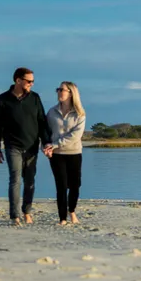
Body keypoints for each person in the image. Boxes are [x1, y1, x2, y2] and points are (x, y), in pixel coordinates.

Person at [0, 67, 52, 226]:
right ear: (18, 80)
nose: (32, 84)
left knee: (30, 180)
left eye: (33, 81)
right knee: (15, 179)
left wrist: (46, 142)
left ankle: (27, 212)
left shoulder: (35, 98)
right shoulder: (3, 99)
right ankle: (15, 216)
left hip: (32, 146)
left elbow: (42, 122)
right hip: (12, 146)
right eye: (29, 81)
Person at [46, 81, 86, 225]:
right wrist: (46, 147)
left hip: (74, 152)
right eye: (58, 89)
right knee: (61, 185)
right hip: (57, 155)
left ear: (71, 93)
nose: (59, 92)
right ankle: (62, 218)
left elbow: (75, 135)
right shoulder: (51, 112)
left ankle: (72, 211)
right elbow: (46, 132)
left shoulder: (80, 114)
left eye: (62, 90)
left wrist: (54, 144)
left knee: (75, 185)